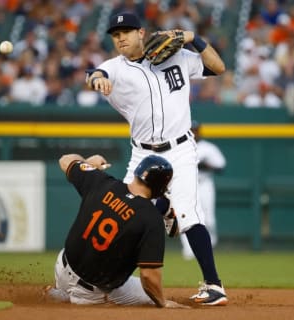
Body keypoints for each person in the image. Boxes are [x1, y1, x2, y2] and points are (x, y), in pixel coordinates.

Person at [85, 12, 228, 306]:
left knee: (190, 213)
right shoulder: (115, 67)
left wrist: (192, 38)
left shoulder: (178, 56)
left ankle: (214, 285)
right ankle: (98, 280)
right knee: (122, 213)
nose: (120, 38)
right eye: (115, 34)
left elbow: (219, 67)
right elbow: (96, 74)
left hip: (181, 148)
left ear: (141, 32)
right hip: (143, 152)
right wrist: (97, 79)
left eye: (126, 31)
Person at [45, 153, 188, 308]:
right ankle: (76, 299)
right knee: (148, 296)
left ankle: (62, 292)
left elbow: (65, 160)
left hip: (62, 266)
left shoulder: (100, 181)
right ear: (160, 187)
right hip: (90, 292)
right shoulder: (151, 219)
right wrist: (162, 302)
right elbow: (148, 276)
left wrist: (87, 163)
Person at [180, 121, 226, 260]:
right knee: (185, 217)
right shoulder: (181, 147)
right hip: (186, 185)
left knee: (208, 218)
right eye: (191, 130)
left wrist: (204, 165)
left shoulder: (208, 148)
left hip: (204, 184)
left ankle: (209, 246)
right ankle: (189, 250)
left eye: (196, 130)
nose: (194, 132)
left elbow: (221, 167)